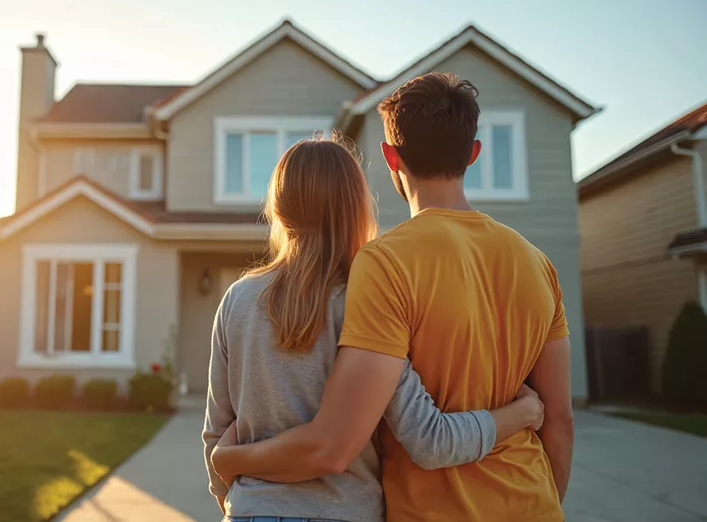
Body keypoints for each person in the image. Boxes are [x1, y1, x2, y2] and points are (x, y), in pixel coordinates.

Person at [211, 73, 575, 522]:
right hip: (531, 504)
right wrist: (528, 430)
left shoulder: (383, 265)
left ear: (390, 156)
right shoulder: (539, 265)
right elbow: (559, 420)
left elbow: (234, 435)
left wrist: (231, 473)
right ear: (473, 153)